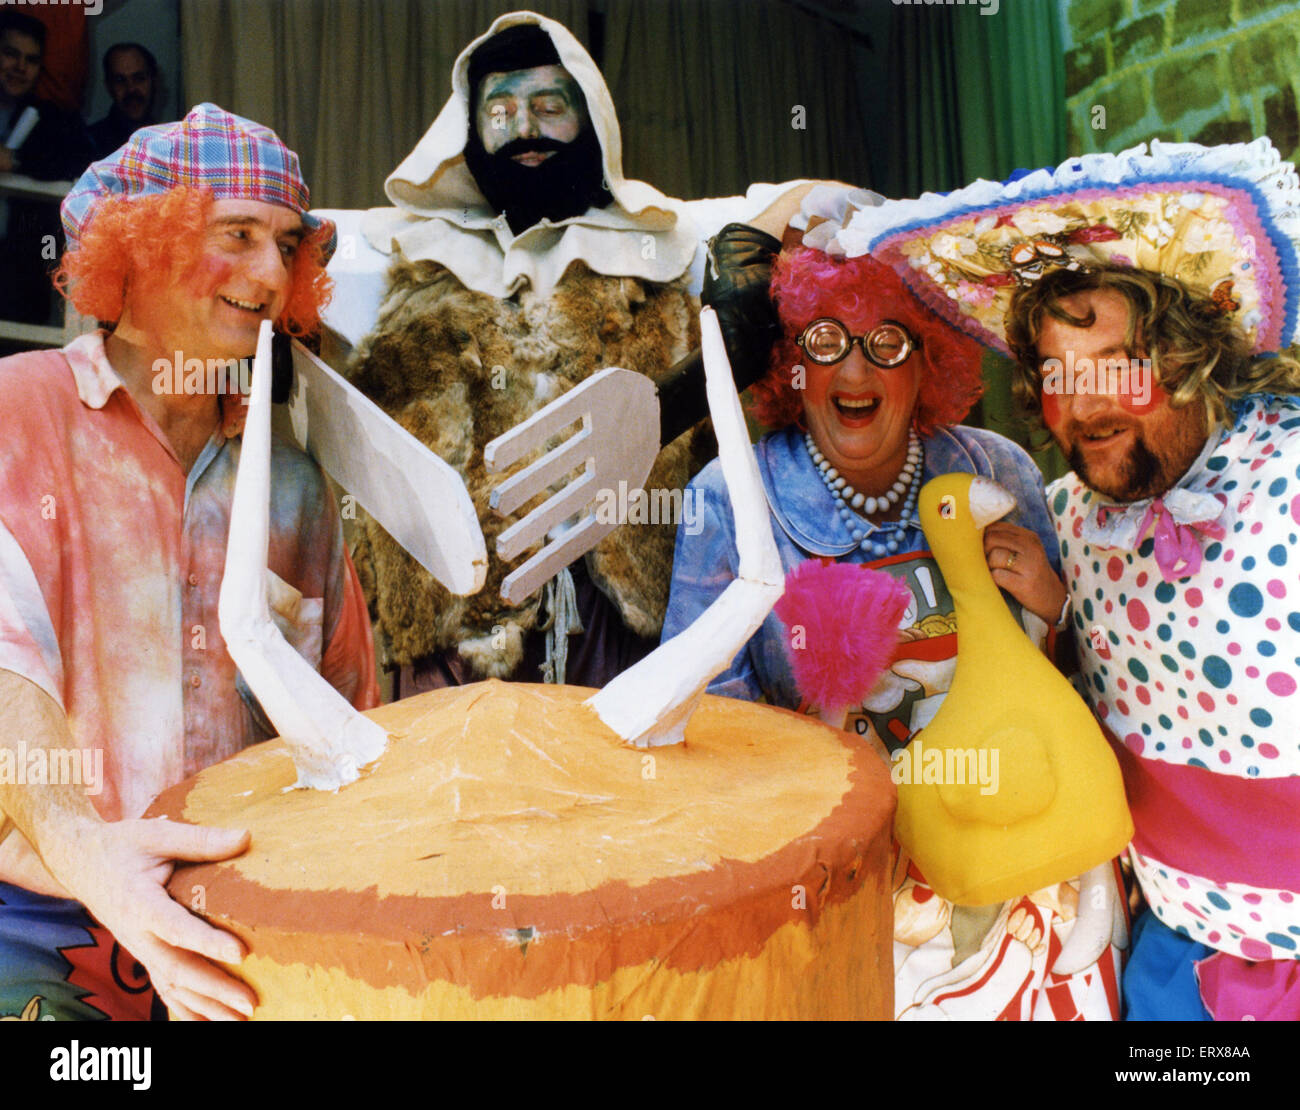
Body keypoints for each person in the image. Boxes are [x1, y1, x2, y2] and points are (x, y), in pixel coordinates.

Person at [832, 138, 1300, 1020]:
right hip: (1169, 952)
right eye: (1054, 375)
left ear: (1191, 353)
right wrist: (1062, 612)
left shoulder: (1292, 475)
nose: (1079, 408)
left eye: (1110, 368)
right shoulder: (1063, 516)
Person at [661, 237, 1126, 1020]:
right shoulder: (730, 497)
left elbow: (1090, 689)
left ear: (926, 363)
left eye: (886, 344)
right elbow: (697, 731)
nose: (854, 371)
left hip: (1023, 851)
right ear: (792, 367)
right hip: (849, 883)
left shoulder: (998, 468)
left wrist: (1058, 605)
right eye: (824, 342)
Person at [0, 103, 378, 1022]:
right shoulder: (18, 412)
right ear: (140, 247)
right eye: (236, 235)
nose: (270, 272)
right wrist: (89, 855)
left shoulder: (292, 482)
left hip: (251, 924)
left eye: (288, 244)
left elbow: (350, 715)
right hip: (43, 915)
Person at [344, 10, 807, 697]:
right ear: (470, 130)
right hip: (457, 631)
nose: (524, 128)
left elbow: (802, 206)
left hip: (621, 620)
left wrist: (779, 245)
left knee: (619, 794)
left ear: (588, 117)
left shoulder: (661, 243)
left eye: (548, 105)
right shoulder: (402, 252)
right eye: (500, 109)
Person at [0, 11, 94, 327]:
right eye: (11, 54)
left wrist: (15, 163)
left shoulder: (49, 118)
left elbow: (79, 159)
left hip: (19, 273)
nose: (20, 67)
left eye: (31, 59)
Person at [87, 42, 159, 160]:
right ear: (109, 86)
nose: (131, 89)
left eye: (139, 79)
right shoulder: (88, 143)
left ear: (154, 81)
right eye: (120, 80)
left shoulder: (171, 141)